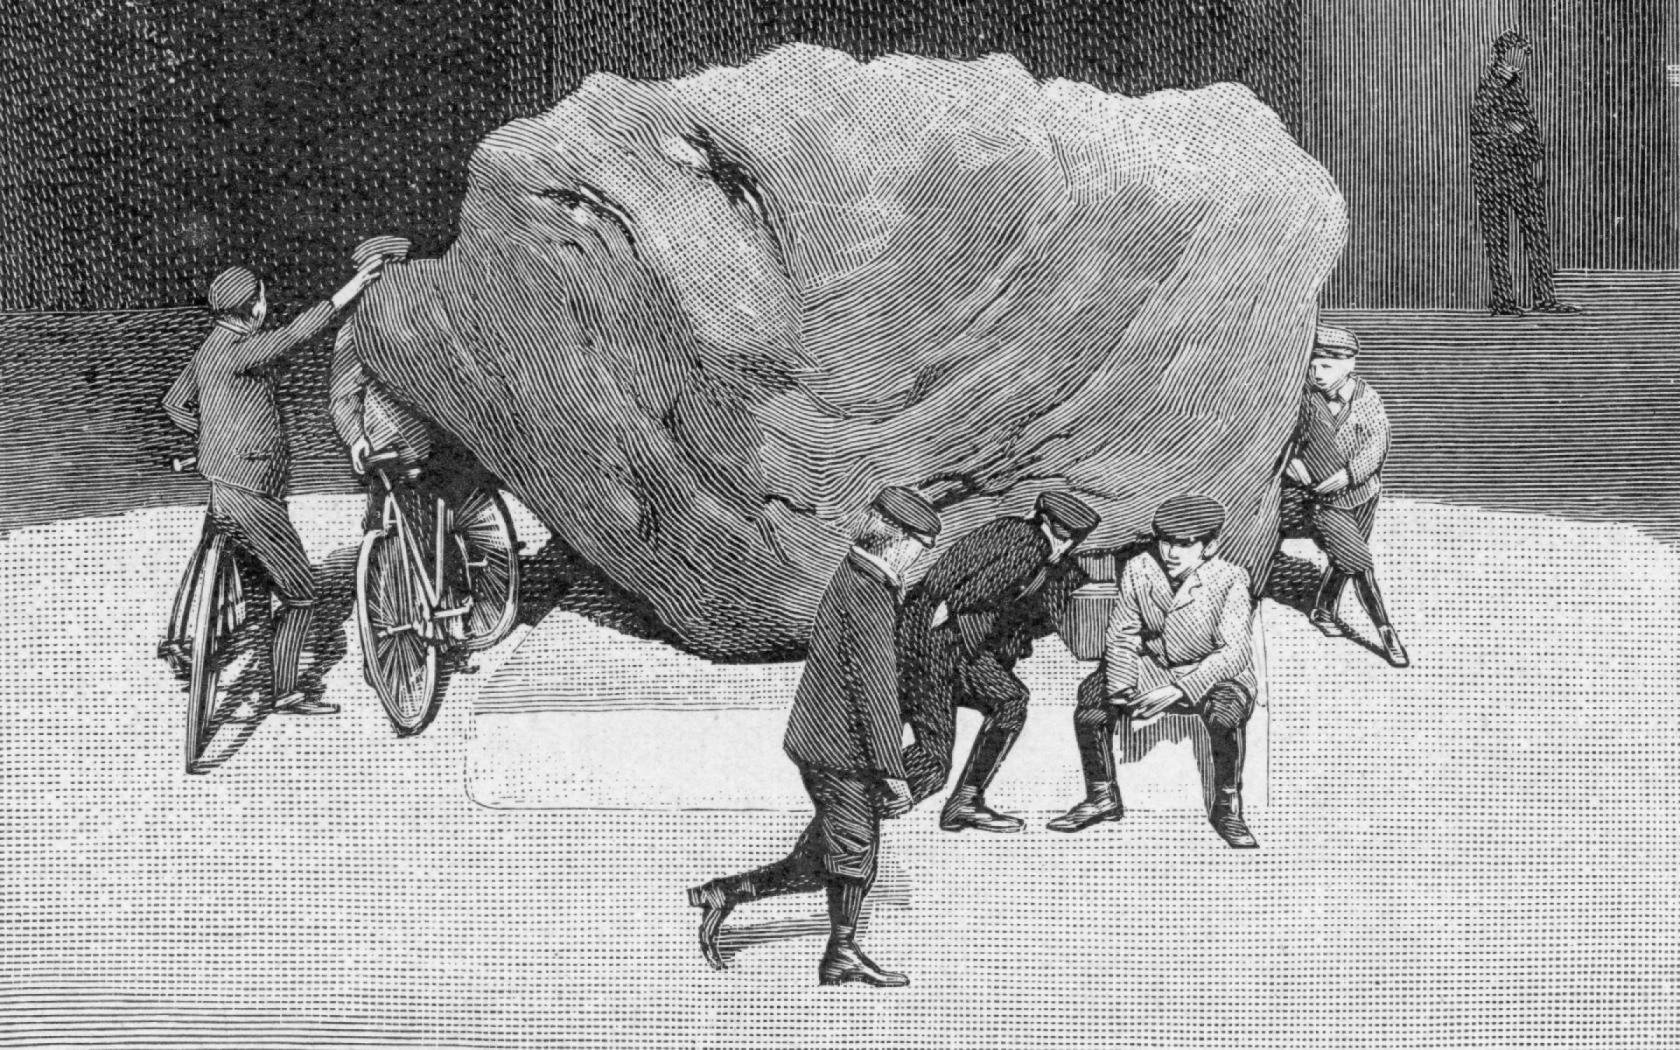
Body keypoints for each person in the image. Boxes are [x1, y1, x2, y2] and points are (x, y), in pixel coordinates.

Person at [687, 486, 941, 987]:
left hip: (824, 741)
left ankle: (724, 893)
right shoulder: (868, 590)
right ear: (899, 540)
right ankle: (840, 954)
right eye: (918, 545)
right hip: (839, 750)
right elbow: (874, 691)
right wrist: (891, 772)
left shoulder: (857, 572)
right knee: (854, 854)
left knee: (819, 857)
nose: (918, 556)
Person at [162, 256, 383, 714]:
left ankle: (206, 646)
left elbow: (174, 403)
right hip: (254, 494)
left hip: (222, 486)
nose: (266, 304)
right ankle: (285, 692)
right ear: (252, 308)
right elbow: (297, 335)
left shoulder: (210, 347)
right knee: (302, 593)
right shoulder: (244, 347)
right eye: (262, 297)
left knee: (258, 587)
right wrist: (352, 287)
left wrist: (211, 441)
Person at [1048, 493, 1260, 848]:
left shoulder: (1232, 579)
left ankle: (1227, 807)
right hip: (1158, 667)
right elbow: (1122, 635)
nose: (1171, 553)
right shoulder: (1139, 569)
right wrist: (1121, 692)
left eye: (1184, 544)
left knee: (1226, 712)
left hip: (1214, 674)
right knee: (1091, 698)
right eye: (1166, 541)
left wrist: (1178, 690)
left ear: (1209, 547)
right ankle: (1102, 796)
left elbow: (1233, 653)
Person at [897, 491, 1101, 833]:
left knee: (1009, 701)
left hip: (956, 643)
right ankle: (862, 802)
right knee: (933, 760)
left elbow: (1037, 618)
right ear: (1044, 521)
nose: (1064, 545)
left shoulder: (1048, 558)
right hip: (940, 642)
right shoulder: (1027, 541)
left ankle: (964, 801)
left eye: (1073, 539)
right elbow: (966, 595)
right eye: (1061, 534)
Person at [1284, 324, 1409, 669]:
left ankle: (1324, 610)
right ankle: (1386, 631)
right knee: (1359, 562)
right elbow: (1286, 440)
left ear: (1350, 364)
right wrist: (1292, 465)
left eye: (1326, 366)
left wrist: (1348, 475)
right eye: (1312, 365)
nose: (1317, 373)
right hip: (1322, 500)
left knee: (1347, 558)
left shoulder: (1367, 399)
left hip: (1362, 493)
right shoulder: (1303, 398)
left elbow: (1377, 446)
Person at [1469, 30, 1578, 316]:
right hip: (1493, 174)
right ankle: (1504, 301)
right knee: (1498, 237)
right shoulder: (1491, 84)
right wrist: (1511, 132)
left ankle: (1545, 298)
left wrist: (1537, 158)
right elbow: (1482, 129)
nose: (1525, 59)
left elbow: (1527, 127)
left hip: (1520, 172)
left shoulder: (1514, 84)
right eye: (1521, 53)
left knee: (1536, 233)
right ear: (1506, 54)